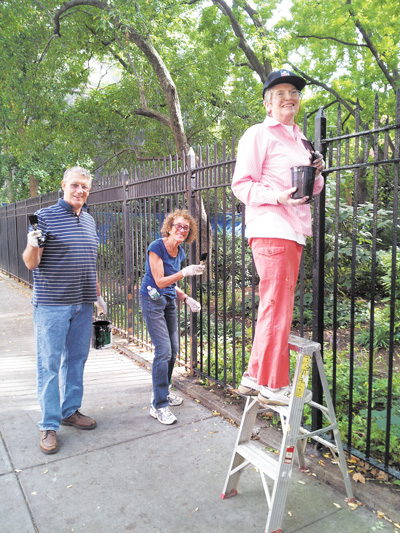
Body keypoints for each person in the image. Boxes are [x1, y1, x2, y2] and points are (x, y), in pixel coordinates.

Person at [231, 69, 325, 406]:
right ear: (268, 104)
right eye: (280, 92)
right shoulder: (258, 134)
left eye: (294, 92)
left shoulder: (301, 141)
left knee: (273, 304)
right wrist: (278, 197)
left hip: (294, 230)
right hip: (272, 227)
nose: (289, 97)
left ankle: (254, 376)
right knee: (277, 306)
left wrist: (317, 172)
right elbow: (240, 185)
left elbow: (310, 190)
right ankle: (272, 384)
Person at [22, 166, 107, 454]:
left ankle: (70, 410)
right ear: (63, 185)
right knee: (49, 365)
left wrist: (97, 296)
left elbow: (89, 261)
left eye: (84, 186)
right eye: (75, 185)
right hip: (52, 305)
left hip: (82, 304)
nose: (80, 190)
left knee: (76, 360)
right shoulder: (45, 217)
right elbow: (31, 263)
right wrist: (33, 245)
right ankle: (49, 424)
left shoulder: (89, 221)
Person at [140, 209, 205, 425]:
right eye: (178, 226)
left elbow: (172, 284)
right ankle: (158, 405)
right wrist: (184, 272)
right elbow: (159, 281)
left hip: (168, 302)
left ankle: (163, 392)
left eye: (186, 228)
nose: (182, 230)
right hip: (152, 301)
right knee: (163, 350)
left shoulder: (181, 253)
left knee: (173, 350)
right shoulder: (156, 247)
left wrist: (186, 298)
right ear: (169, 227)